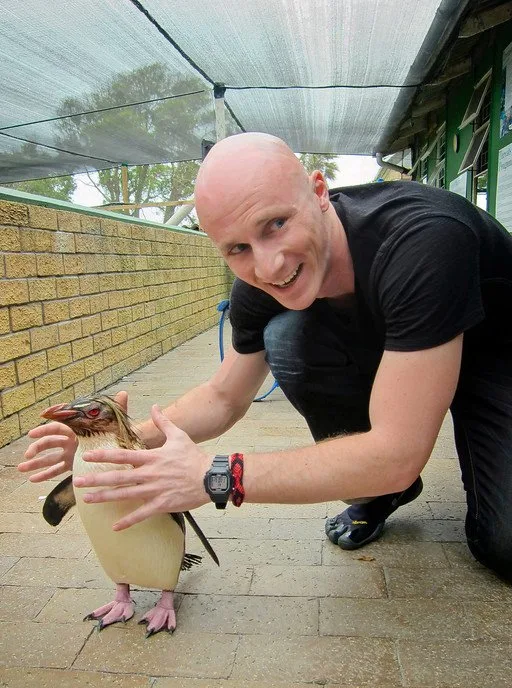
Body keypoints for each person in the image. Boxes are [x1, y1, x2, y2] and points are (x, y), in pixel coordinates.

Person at [18, 132, 512, 582]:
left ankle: (385, 474)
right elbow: (222, 396)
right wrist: (113, 443)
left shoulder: (423, 239)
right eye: (237, 248)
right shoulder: (262, 282)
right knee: (288, 335)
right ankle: (377, 493)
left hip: (493, 352)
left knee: (503, 545)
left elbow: (400, 453)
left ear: (320, 193)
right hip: (397, 346)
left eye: (276, 224)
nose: (268, 265)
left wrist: (218, 475)